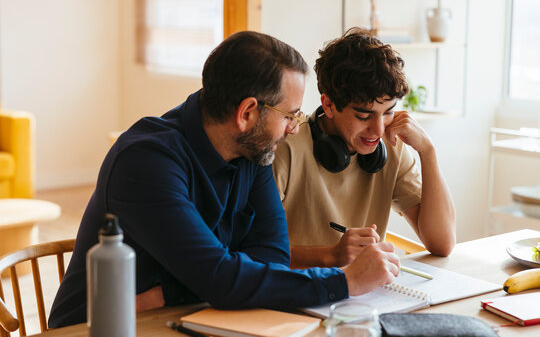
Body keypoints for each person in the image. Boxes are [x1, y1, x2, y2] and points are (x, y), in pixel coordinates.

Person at [48, 31, 400, 328]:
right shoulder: (145, 162)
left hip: (190, 314)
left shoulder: (254, 149)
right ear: (247, 112)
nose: (294, 127)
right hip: (102, 326)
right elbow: (219, 278)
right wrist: (346, 281)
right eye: (289, 115)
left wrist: (177, 290)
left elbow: (271, 256)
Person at [273, 28, 456, 269]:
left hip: (363, 296)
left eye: (388, 112)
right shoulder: (286, 147)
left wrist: (427, 152)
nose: (378, 130)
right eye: (363, 115)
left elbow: (442, 243)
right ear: (328, 104)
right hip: (295, 294)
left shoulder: (392, 146)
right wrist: (331, 256)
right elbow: (252, 250)